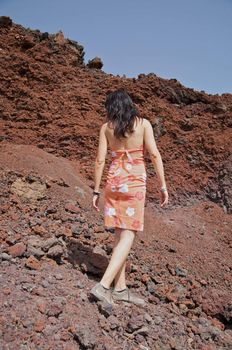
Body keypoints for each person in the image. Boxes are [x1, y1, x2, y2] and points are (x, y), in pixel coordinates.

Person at [90, 89, 169, 306]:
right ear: (129, 104)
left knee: (119, 233)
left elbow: (99, 160)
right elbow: (154, 154)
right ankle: (103, 285)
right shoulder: (143, 124)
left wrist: (96, 191)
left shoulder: (106, 128)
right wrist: (162, 185)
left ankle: (120, 289)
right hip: (134, 183)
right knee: (129, 234)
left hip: (113, 183)